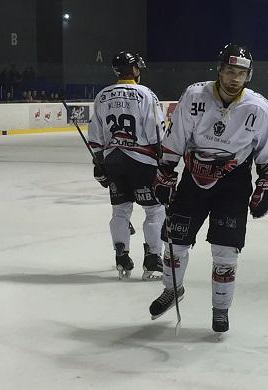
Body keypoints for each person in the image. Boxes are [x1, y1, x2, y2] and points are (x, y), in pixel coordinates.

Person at [148, 43, 268, 333]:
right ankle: (172, 289)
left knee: (225, 251)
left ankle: (220, 309)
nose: (235, 78)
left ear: (249, 75)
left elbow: (266, 151)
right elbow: (177, 134)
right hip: (193, 179)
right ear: (220, 70)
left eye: (241, 73)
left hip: (233, 184)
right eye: (230, 71)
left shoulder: (257, 107)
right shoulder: (194, 95)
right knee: (175, 242)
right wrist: (166, 172)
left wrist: (265, 183)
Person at [88, 51, 165, 281]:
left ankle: (121, 255)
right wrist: (164, 164)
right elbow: (157, 133)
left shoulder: (102, 96)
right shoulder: (146, 94)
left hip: (113, 161)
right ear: (134, 70)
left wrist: (99, 162)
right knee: (154, 210)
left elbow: (96, 135)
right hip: (142, 162)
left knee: (120, 211)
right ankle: (152, 259)